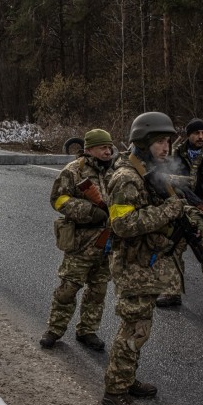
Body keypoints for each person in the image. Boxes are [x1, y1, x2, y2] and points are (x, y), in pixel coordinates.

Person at [102, 112, 186, 405]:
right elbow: (123, 224)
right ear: (143, 142)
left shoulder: (148, 171)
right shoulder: (127, 177)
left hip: (144, 264)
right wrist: (169, 211)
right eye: (160, 141)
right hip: (132, 266)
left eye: (168, 142)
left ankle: (126, 378)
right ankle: (115, 392)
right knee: (134, 329)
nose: (166, 148)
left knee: (141, 327)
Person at [40, 129, 115, 352]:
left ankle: (87, 330)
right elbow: (58, 199)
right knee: (68, 289)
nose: (108, 151)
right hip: (81, 242)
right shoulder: (74, 171)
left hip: (106, 241)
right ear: (89, 149)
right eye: (103, 147)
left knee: (98, 291)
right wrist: (89, 211)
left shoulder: (115, 171)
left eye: (109, 147)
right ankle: (54, 329)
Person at [156, 118, 203, 311]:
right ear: (188, 135)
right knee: (171, 251)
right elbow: (160, 180)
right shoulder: (174, 155)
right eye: (196, 133)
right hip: (180, 213)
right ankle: (172, 292)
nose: (201, 137)